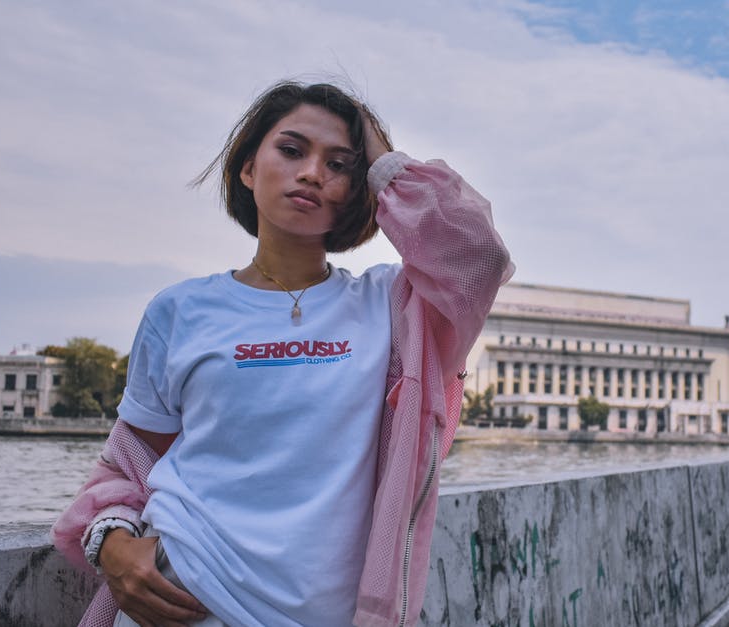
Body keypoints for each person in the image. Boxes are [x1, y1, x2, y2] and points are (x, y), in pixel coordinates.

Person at [52, 81, 512, 627]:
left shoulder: (391, 306)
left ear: (359, 187)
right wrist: (111, 541)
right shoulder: (180, 310)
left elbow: (477, 256)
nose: (313, 172)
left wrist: (380, 155)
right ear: (248, 169)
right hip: (183, 596)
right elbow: (131, 459)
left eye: (339, 164)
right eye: (292, 150)